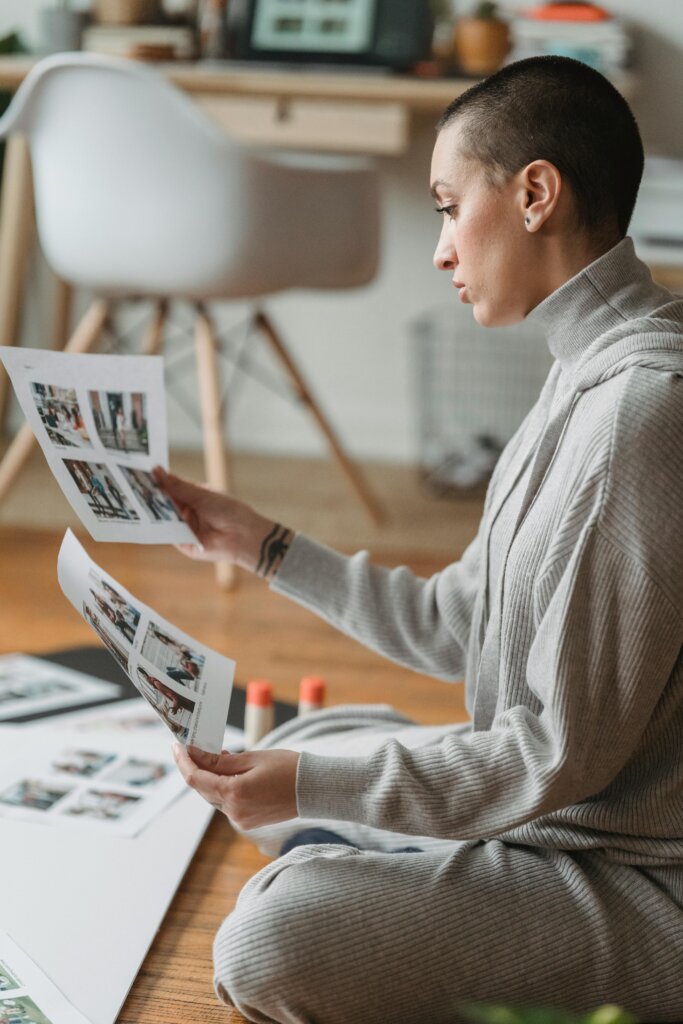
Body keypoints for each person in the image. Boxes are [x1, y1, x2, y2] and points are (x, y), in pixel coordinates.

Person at [157, 56, 683, 1024]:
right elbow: (456, 624)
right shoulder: (579, 372)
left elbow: (550, 756)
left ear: (533, 194)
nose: (439, 248)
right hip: (553, 818)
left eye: (447, 205)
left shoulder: (641, 412)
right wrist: (260, 543)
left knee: (269, 933)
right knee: (304, 741)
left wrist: (316, 788)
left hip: (635, 877)